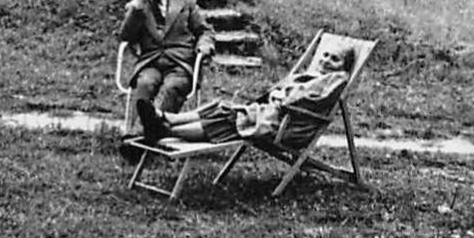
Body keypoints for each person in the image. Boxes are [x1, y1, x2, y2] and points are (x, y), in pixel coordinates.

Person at [135, 42, 356, 149]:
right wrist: (280, 93)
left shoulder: (336, 80)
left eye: (333, 59)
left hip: (289, 125)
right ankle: (165, 118)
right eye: (325, 55)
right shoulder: (313, 73)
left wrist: (283, 96)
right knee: (221, 107)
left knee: (230, 120)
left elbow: (309, 100)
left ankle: (164, 129)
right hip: (274, 114)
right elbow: (285, 90)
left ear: (343, 66)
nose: (326, 60)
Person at [117, 0, 214, 132]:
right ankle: (139, 135)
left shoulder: (186, 1)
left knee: (172, 87)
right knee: (145, 84)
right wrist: (138, 7)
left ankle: (146, 134)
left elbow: (204, 31)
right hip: (151, 62)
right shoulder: (137, 6)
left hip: (180, 63)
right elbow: (126, 37)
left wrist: (204, 46)